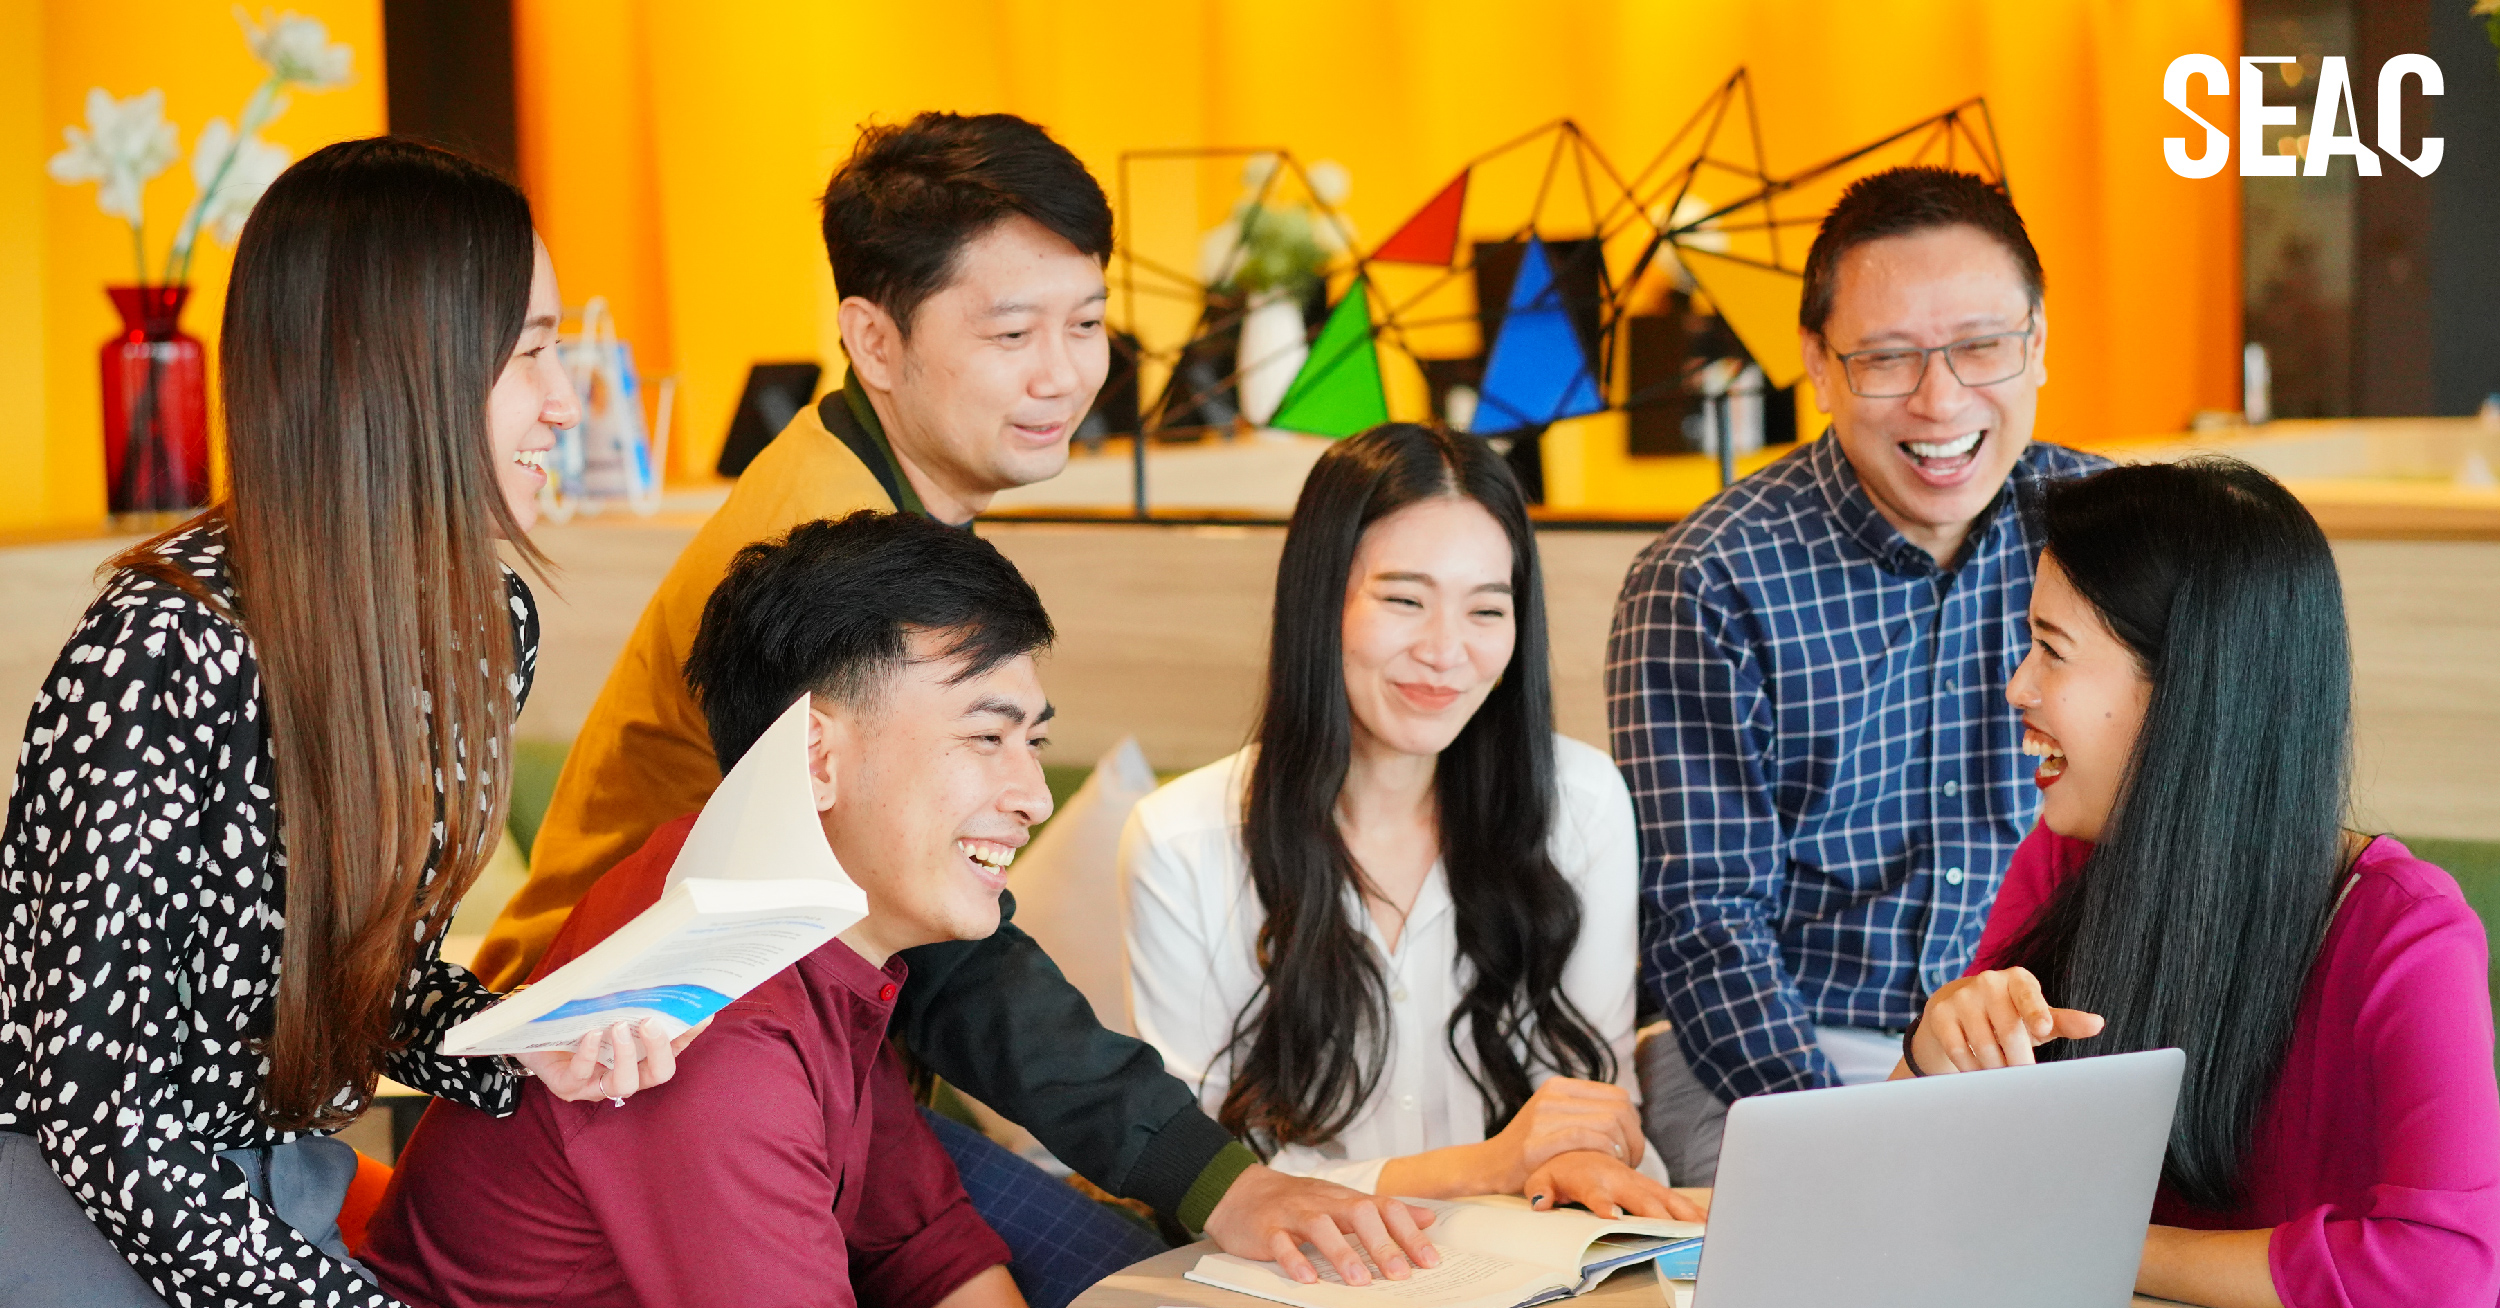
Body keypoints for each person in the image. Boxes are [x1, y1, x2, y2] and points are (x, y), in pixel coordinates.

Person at [468, 111, 1438, 1293]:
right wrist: (1211, 1178)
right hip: (636, 1061)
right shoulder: (826, 541)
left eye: (1087, 324)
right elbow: (946, 943)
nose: (1063, 373)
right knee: (1167, 1273)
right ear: (874, 341)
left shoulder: (873, 498)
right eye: (1012, 332)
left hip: (814, 1034)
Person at [0, 138, 693, 1307]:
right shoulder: (157, 651)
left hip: (282, 1181)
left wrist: (519, 1046)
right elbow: (96, 1105)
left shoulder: (482, 627)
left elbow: (367, 981)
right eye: (530, 351)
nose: (565, 401)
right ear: (398, 370)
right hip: (75, 1200)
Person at [366, 511, 1069, 1308]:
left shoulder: (773, 902)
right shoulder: (715, 1027)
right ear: (815, 760)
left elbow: (922, 1243)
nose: (1035, 798)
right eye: (987, 739)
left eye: (1034, 744)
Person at [1896, 459, 2500, 1308]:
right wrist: (1934, 1052)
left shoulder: (2406, 935)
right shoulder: (2063, 861)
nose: (2017, 687)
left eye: (2052, 651)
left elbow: (2447, 1270)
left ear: (2187, 692)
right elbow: (1932, 1198)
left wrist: (2104, 1245)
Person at [1606, 165, 2107, 1184]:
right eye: (1885, 358)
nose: (1940, 400)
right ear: (1818, 365)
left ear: (2038, 343)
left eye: (1980, 347)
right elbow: (1705, 921)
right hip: (1795, 1055)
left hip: (2051, 1056)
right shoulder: (1706, 580)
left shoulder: (2116, 538)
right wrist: (1842, 1147)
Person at [1124, 424, 1703, 1226]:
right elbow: (1206, 1178)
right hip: (1302, 1270)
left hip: (1536, 1245)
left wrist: (1580, 1153)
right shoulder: (1181, 843)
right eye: (1404, 600)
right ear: (1320, 598)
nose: (1446, 650)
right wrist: (1482, 1167)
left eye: (1486, 609)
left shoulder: (1581, 802)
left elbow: (1591, 1098)